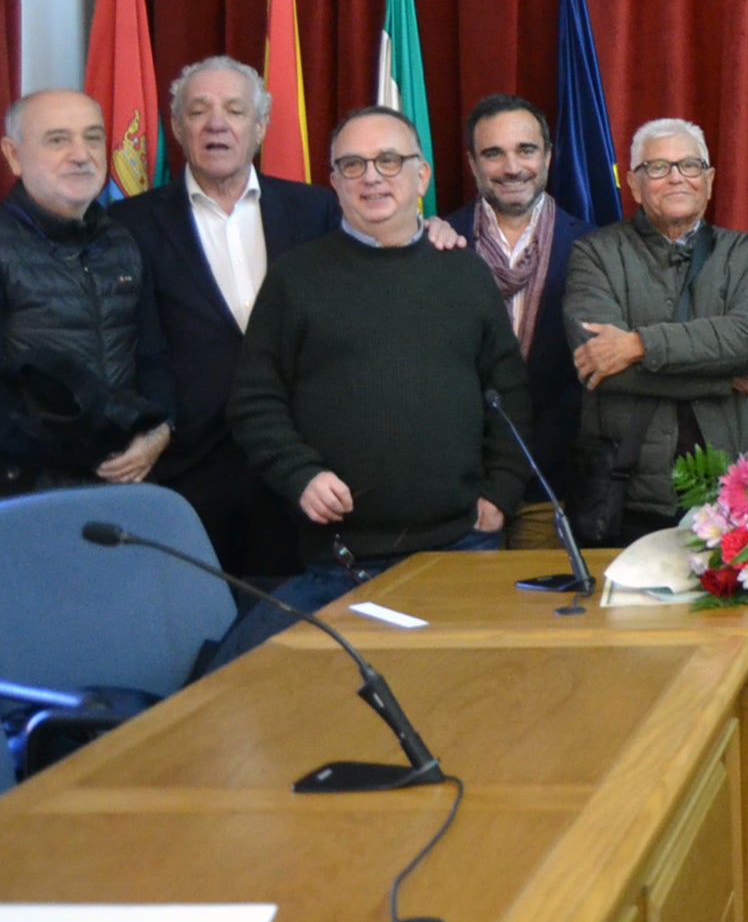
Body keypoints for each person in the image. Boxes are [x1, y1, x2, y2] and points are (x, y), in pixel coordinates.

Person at [222, 106, 529, 658]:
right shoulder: (295, 278)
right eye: (353, 164)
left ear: (422, 176)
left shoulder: (463, 270)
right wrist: (300, 475)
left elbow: (508, 390)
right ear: (334, 182)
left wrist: (502, 492)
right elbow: (254, 401)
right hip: (340, 563)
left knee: (470, 707)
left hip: (462, 546)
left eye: (389, 160)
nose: (372, 177)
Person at [111, 56, 337, 576]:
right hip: (188, 468)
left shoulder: (316, 212)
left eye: (234, 110)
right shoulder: (127, 224)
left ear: (259, 127)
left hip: (299, 464)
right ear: (177, 127)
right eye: (199, 110)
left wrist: (432, 230)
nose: (217, 123)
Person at [0, 89, 175, 519]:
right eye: (58, 140)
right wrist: (91, 454)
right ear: (13, 156)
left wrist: (158, 431)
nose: (81, 155)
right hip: (15, 500)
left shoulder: (125, 241)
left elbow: (154, 359)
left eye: (93, 138)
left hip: (126, 493)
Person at [563, 118, 748, 541]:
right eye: (659, 168)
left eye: (690, 166)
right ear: (633, 183)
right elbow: (602, 365)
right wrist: (723, 375)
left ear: (710, 179)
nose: (677, 178)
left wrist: (639, 344)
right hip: (630, 496)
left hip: (735, 493)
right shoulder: (594, 254)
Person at [446, 94, 592, 548]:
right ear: (472, 163)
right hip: (458, 492)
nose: (512, 167)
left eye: (526, 150)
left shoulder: (595, 248)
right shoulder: (436, 247)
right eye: (494, 153)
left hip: (554, 489)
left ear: (547, 156)